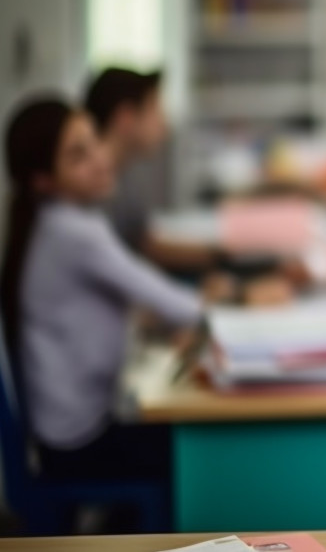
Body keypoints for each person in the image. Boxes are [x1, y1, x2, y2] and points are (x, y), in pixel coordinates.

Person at [0, 96, 277, 502]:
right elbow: (168, 301)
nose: (100, 158)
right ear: (43, 179)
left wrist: (182, 312)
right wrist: (244, 295)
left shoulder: (54, 222)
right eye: (78, 155)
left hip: (68, 434)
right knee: (213, 454)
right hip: (79, 445)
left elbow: (138, 304)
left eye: (94, 140)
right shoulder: (72, 231)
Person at [85, 68, 218, 273]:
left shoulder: (126, 173)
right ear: (126, 117)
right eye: (156, 110)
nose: (165, 124)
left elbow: (144, 242)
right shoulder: (92, 185)